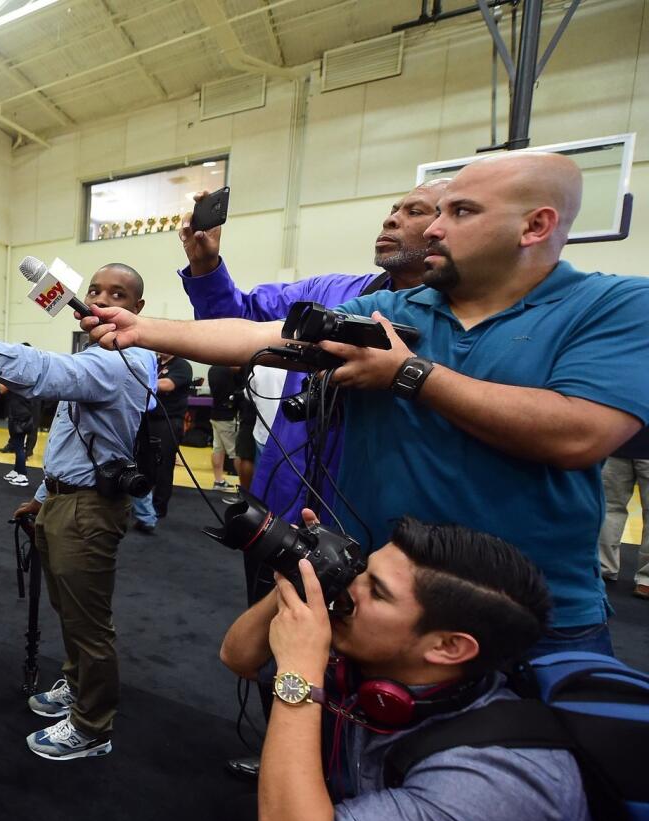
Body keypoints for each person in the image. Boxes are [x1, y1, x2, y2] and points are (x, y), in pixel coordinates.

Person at [83, 152, 649, 656]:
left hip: (533, 617)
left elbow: (578, 433)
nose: (434, 230)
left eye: (460, 213)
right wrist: (142, 328)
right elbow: (264, 334)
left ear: (536, 225)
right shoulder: (393, 305)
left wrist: (408, 375)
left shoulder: (612, 305)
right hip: (381, 595)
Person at [218, 516, 617, 821]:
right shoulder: (388, 662)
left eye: (376, 590)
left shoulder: (499, 781)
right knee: (247, 820)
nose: (349, 588)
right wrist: (309, 575)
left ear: (448, 647)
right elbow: (238, 655)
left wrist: (299, 674)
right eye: (361, 570)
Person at [0, 263, 154, 760]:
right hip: (67, 501)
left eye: (118, 293)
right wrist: (45, 496)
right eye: (95, 289)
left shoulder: (120, 362)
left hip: (89, 511)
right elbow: (71, 440)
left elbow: (45, 372)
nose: (101, 297)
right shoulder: (98, 356)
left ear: (137, 310)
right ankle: (77, 686)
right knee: (70, 610)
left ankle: (92, 727)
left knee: (89, 623)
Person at [179, 179, 446, 523]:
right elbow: (232, 323)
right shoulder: (331, 292)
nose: (391, 219)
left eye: (414, 211)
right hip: (287, 493)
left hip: (379, 515)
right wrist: (205, 265)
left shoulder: (461, 322)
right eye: (394, 209)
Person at [130, 352, 193, 534]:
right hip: (149, 418)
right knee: (144, 463)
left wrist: (141, 382)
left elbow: (168, 385)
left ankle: (158, 508)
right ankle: (143, 505)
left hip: (169, 420)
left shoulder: (181, 365)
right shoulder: (155, 362)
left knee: (164, 465)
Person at [598, 424, 649, 600]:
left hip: (617, 439)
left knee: (609, 508)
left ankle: (603, 567)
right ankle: (646, 580)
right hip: (616, 442)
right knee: (608, 507)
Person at [3, 357, 38, 487]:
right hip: (22, 414)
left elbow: (1, 389)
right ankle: (17, 470)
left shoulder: (15, 377)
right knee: (17, 444)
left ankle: (22, 475)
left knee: (18, 446)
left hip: (20, 416)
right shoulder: (29, 377)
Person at [206, 364, 240, 490]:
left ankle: (218, 480)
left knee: (217, 449)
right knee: (235, 453)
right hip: (228, 415)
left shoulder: (212, 369)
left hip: (215, 413)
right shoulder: (231, 369)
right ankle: (244, 487)